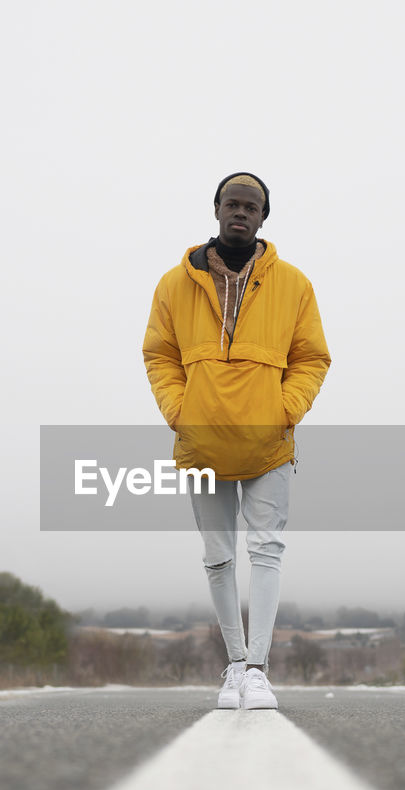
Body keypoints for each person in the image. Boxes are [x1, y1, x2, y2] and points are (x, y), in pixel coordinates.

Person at [142, 172, 330, 709]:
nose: (240, 212)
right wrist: (180, 412)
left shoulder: (294, 284)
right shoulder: (173, 284)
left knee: (267, 550)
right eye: (232, 203)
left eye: (251, 206)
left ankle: (258, 669)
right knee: (218, 556)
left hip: (269, 442)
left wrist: (284, 411)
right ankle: (232, 666)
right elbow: (159, 354)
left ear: (264, 217)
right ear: (217, 209)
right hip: (202, 440)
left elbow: (311, 358)